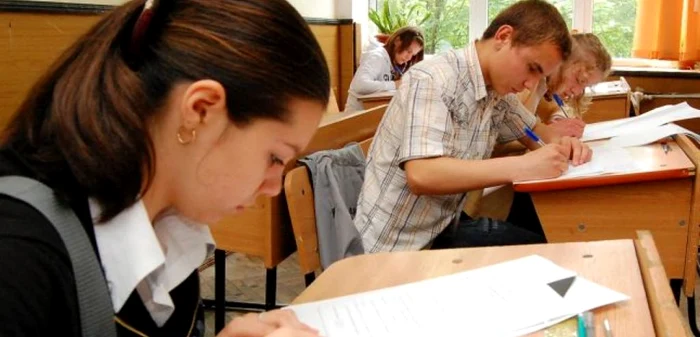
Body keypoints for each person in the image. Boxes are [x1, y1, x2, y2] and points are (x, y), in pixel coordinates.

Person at [0, 0, 329, 336]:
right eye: (275, 157)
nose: (273, 186)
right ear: (201, 111)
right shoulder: (19, 261)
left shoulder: (170, 221)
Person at [353, 0, 592, 253]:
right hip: (394, 248)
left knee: (544, 241)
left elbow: (540, 135)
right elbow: (421, 174)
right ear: (504, 37)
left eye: (540, 76)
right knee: (539, 252)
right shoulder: (433, 78)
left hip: (441, 230)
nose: (530, 85)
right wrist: (522, 166)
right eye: (532, 69)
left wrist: (566, 146)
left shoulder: (497, 93)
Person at [519, 33, 612, 138]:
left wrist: (559, 119)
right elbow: (503, 140)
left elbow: (555, 108)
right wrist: (548, 132)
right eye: (579, 80)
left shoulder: (545, 86)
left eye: (584, 87)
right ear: (561, 60)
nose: (576, 92)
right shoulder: (525, 85)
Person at [344, 26, 424, 112]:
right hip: (356, 117)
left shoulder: (395, 62)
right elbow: (359, 85)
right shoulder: (376, 56)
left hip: (373, 115)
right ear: (397, 41)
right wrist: (395, 85)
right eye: (408, 51)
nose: (409, 58)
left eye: (413, 55)